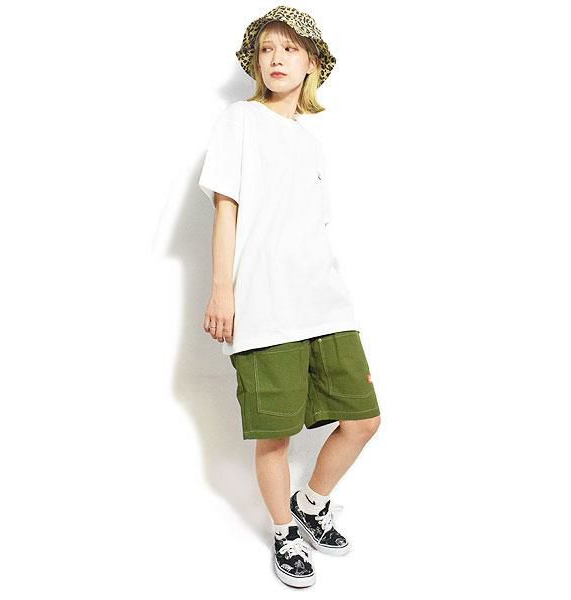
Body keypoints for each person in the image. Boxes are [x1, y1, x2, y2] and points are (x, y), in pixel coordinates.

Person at [198, 6, 381, 588]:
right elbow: (226, 210)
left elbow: (313, 235)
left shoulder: (309, 144)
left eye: (290, 48)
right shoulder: (240, 121)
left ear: (311, 63)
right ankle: (284, 531)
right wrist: (222, 290)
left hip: (324, 303)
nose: (276, 58)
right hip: (264, 305)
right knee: (274, 433)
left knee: (364, 419)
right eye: (266, 49)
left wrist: (340, 303)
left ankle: (312, 503)